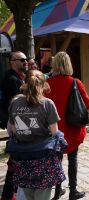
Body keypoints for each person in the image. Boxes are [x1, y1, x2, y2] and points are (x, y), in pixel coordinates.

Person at [7, 70, 66, 200]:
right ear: (43, 84)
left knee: (26, 193)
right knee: (42, 196)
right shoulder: (47, 103)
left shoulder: (14, 102)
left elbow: (13, 131)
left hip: (23, 158)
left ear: (24, 83)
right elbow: (55, 133)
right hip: (43, 159)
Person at [46, 52, 89, 200]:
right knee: (73, 159)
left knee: (57, 160)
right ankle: (73, 191)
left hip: (54, 129)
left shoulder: (49, 83)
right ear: (69, 64)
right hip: (72, 128)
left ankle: (58, 191)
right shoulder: (75, 82)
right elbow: (88, 104)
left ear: (55, 65)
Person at [1, 51, 27, 200]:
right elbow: (18, 107)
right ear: (12, 62)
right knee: (16, 161)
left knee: (15, 161)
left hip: (18, 126)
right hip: (18, 127)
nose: (25, 62)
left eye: (26, 59)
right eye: (22, 60)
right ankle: (9, 194)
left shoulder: (17, 77)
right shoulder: (12, 79)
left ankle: (10, 194)